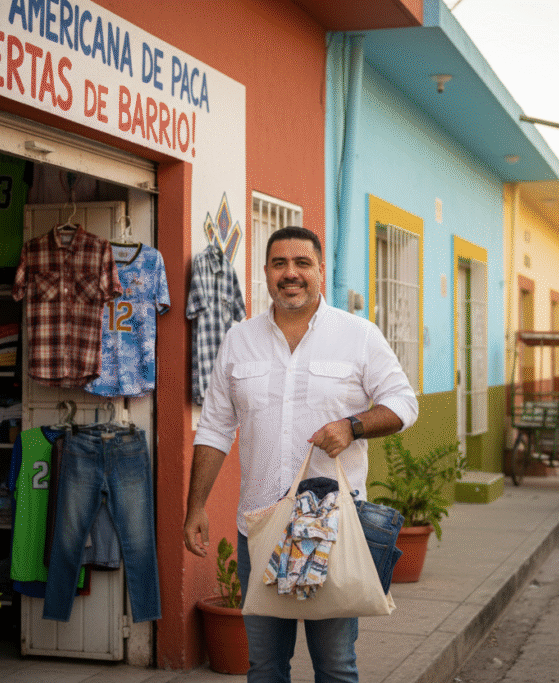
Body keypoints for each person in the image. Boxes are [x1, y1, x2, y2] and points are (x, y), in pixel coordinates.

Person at [184, 226, 419, 683]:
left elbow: (404, 405)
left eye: (302, 263)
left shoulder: (358, 335)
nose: (291, 274)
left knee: (335, 666)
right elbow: (214, 427)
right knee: (265, 667)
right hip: (260, 526)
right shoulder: (239, 339)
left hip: (331, 529)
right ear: (267, 273)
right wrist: (195, 507)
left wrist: (352, 427)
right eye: (279, 264)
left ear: (320, 271)